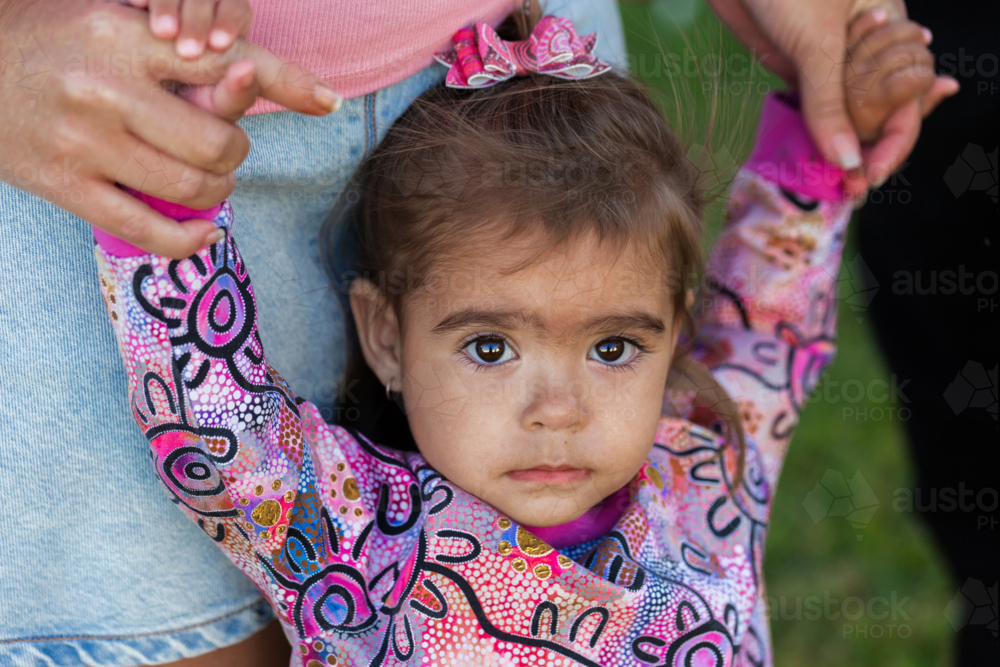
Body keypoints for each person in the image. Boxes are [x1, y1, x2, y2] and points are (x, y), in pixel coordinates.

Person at [0, 0, 948, 664]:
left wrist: (824, 155)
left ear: (672, 329)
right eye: (490, 346)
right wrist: (156, 177)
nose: (556, 409)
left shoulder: (704, 469)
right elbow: (217, 426)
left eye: (615, 345)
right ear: (384, 335)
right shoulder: (354, 535)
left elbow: (768, 328)